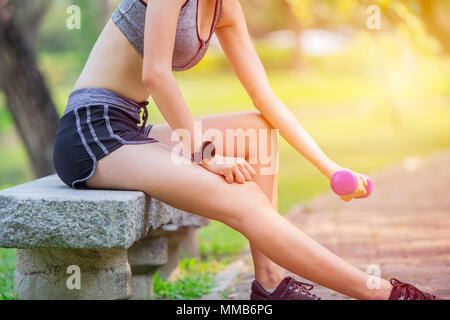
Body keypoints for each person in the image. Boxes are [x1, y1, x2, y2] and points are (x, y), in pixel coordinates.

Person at [53, 0, 437, 300]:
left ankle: (270, 283)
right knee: (245, 197)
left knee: (256, 129)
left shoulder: (225, 8)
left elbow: (265, 97)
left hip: (130, 126)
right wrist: (205, 154)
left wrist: (329, 168)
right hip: (92, 133)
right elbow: (155, 73)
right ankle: (383, 293)